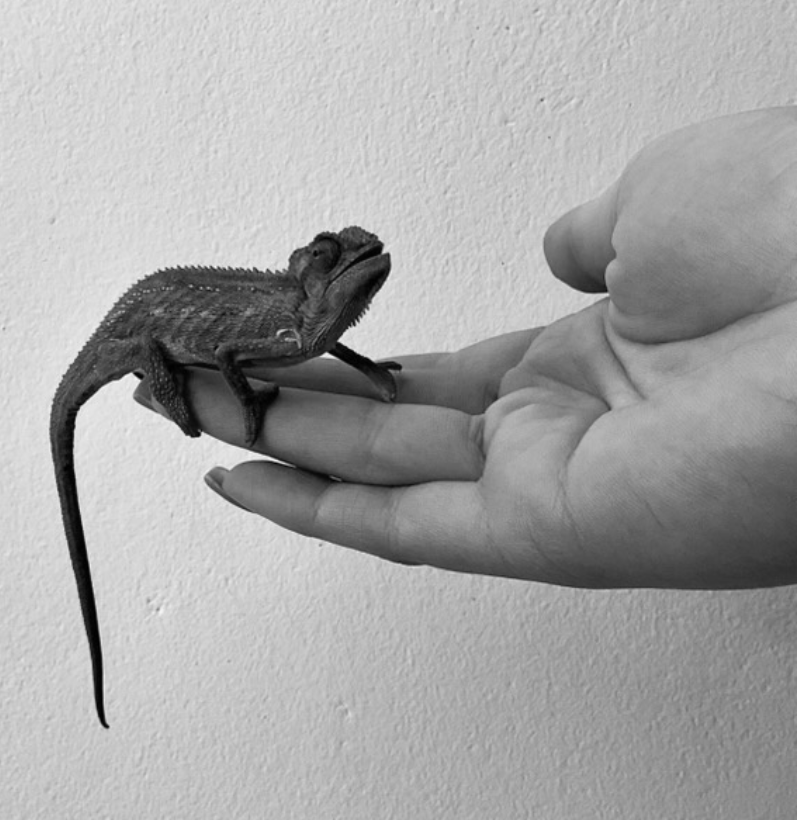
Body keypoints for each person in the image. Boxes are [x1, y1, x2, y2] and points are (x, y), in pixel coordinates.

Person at [136, 107, 797, 589]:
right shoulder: (284, 323)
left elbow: (324, 345)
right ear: (312, 274)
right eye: (334, 257)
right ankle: (165, 384)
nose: (360, 262)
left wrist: (367, 368)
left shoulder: (312, 326)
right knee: (176, 378)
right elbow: (227, 358)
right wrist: (248, 410)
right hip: (159, 333)